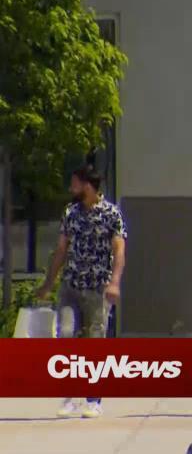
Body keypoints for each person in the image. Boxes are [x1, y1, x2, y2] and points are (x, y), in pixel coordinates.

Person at [35, 166, 127, 419]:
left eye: (74, 183)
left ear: (87, 185)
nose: (70, 188)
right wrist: (48, 283)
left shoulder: (111, 214)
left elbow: (119, 251)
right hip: (70, 286)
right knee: (65, 335)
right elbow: (61, 250)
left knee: (96, 343)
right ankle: (68, 397)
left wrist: (115, 282)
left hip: (98, 288)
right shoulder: (71, 213)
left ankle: (93, 399)